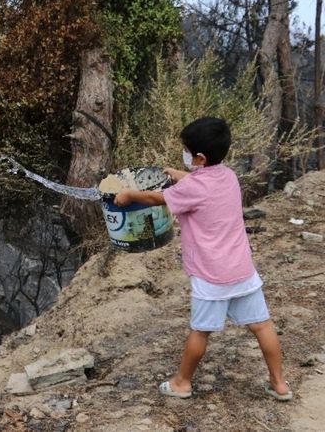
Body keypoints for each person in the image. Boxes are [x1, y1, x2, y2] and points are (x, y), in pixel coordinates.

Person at [113, 117, 292, 401]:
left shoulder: (191, 189)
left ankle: (182, 382)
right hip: (242, 270)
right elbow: (199, 186)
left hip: (211, 276)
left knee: (201, 331)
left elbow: (156, 199)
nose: (183, 154)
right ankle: (279, 383)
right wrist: (177, 173)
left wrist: (128, 194)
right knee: (262, 325)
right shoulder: (229, 176)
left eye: (186, 150)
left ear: (199, 157)